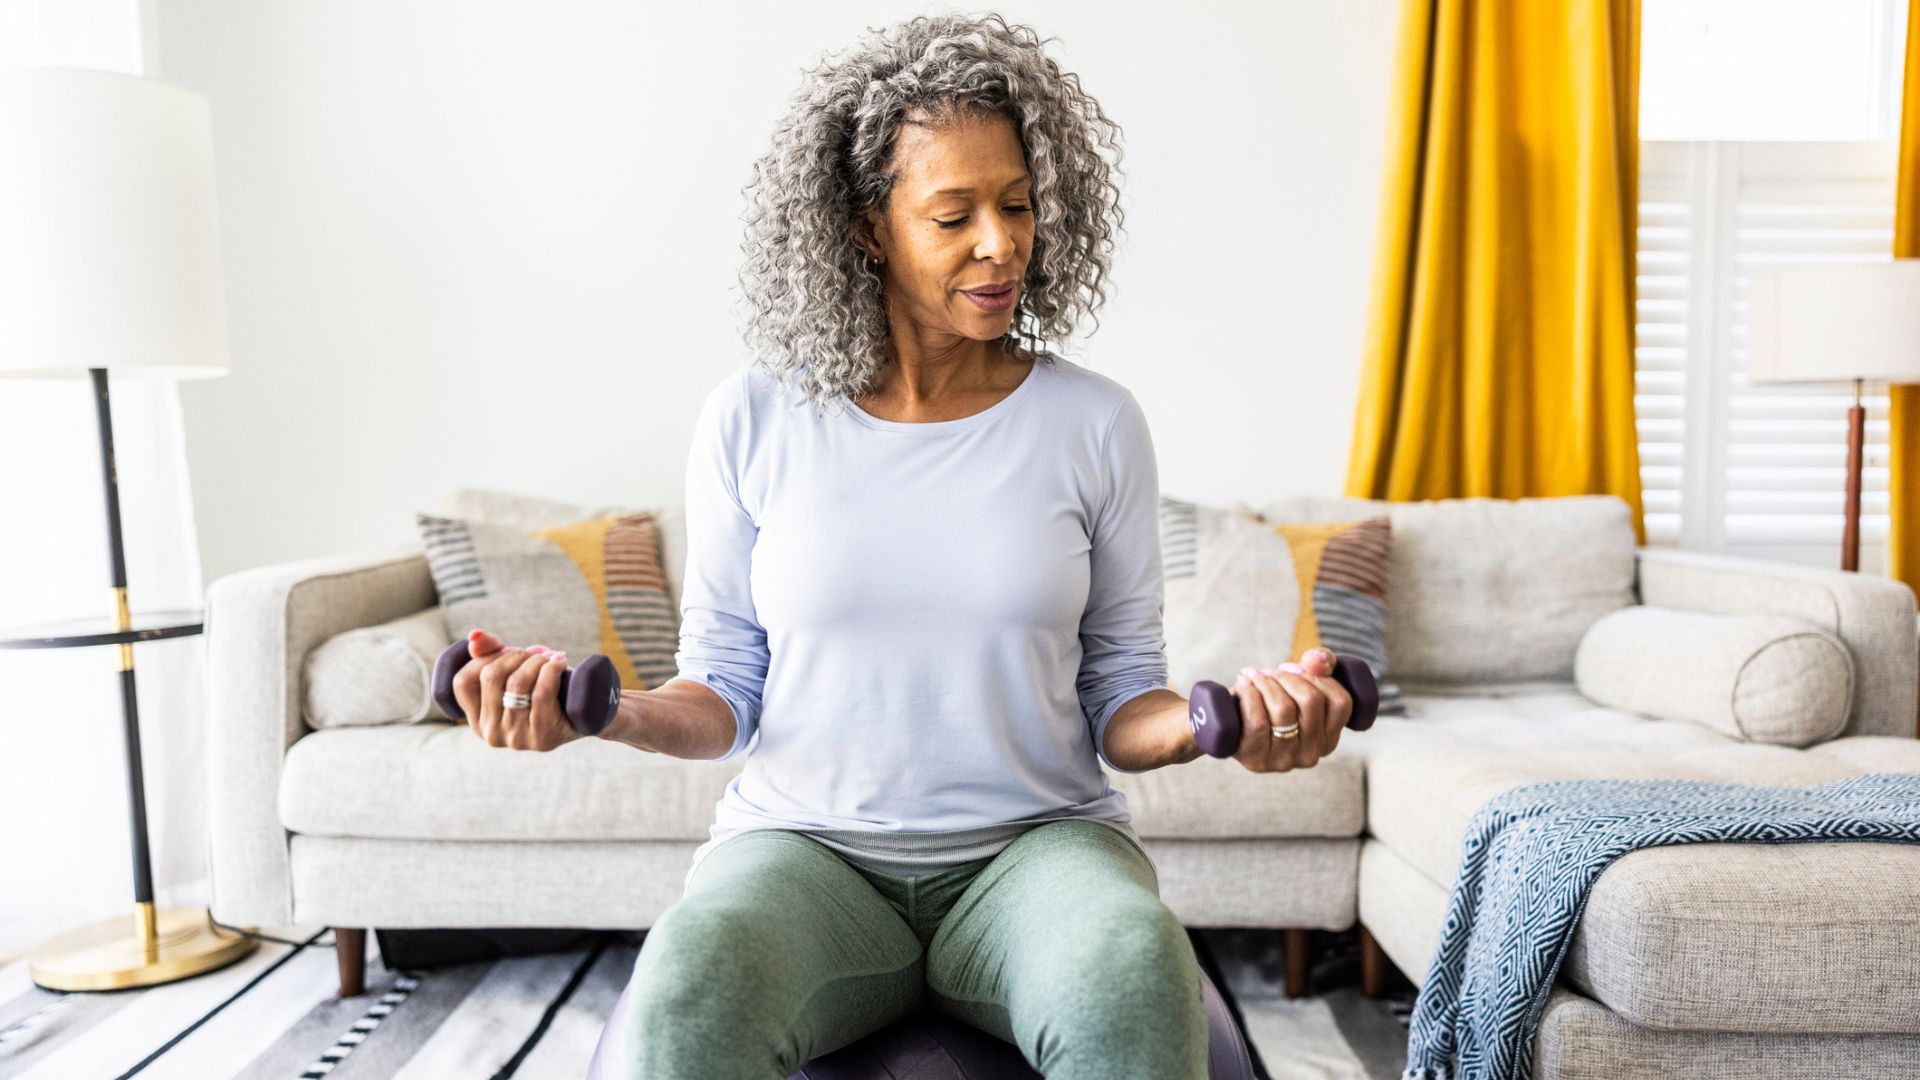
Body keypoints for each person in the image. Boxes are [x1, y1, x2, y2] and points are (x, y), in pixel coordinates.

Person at [446, 13, 1353, 1079]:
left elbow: (1121, 705)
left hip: (1038, 852)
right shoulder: (753, 418)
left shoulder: (1096, 425)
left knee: (1129, 966)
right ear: (868, 226)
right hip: (805, 857)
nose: (1001, 242)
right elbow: (725, 692)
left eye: (1017, 205)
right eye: (953, 213)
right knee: (689, 980)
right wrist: (598, 715)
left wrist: (1233, 721)